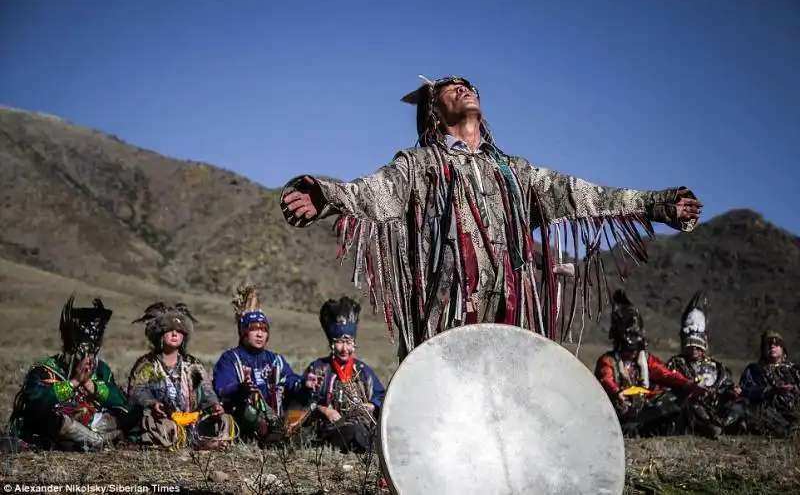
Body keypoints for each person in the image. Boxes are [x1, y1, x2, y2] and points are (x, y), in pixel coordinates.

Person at [280, 75, 703, 359]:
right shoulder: (419, 164)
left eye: (467, 85)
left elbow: (584, 194)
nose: (463, 89)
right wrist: (327, 195)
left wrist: (658, 204)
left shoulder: (516, 173)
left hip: (508, 311)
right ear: (433, 110)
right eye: (450, 88)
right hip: (444, 314)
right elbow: (373, 192)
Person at [9, 295, 128, 450]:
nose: (87, 358)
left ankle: (93, 439)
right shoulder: (44, 369)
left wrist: (91, 385)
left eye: (92, 353)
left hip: (96, 424)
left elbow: (119, 401)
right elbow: (36, 401)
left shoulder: (101, 370)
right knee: (44, 416)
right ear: (70, 351)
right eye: (81, 353)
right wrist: (75, 382)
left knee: (131, 412)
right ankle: (96, 441)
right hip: (57, 427)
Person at [595, 290, 704, 437]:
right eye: (629, 348)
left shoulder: (645, 360)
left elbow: (665, 374)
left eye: (636, 348)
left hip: (644, 408)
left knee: (677, 396)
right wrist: (616, 394)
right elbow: (605, 380)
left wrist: (687, 384)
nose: (633, 352)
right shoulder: (608, 361)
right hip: (618, 411)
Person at [213, 284, 312, 445]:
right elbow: (222, 388)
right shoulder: (231, 358)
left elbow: (290, 381)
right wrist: (241, 389)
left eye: (264, 330)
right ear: (243, 332)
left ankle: (283, 435)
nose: (260, 334)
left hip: (274, 417)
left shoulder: (275, 360)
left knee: (306, 405)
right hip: (244, 417)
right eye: (254, 329)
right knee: (250, 412)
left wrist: (304, 384)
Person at [127, 302, 235, 450]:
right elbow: (136, 391)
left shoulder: (193, 365)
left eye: (178, 331)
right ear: (159, 334)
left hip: (192, 419)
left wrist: (214, 406)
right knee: (157, 424)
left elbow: (206, 392)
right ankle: (196, 442)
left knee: (224, 420)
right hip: (164, 419)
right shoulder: (148, 365)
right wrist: (152, 404)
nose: (174, 334)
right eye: (169, 330)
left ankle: (205, 440)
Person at [303, 296, 385, 453]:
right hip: (330, 430)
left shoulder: (362, 370)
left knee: (365, 432)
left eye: (348, 342)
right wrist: (324, 410)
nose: (344, 348)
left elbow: (381, 395)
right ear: (332, 344)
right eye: (340, 342)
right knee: (354, 432)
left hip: (363, 426)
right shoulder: (319, 368)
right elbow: (304, 399)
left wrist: (372, 405)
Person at [665, 290, 747, 437]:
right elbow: (666, 387)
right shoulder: (675, 364)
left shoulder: (717, 367)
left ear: (704, 348)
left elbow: (725, 388)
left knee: (739, 405)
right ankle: (709, 428)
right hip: (690, 408)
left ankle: (724, 425)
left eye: (698, 347)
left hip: (714, 408)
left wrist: (732, 391)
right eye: (691, 346)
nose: (694, 349)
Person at [739, 329, 800, 437]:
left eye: (776, 344)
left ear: (783, 349)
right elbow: (745, 392)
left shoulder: (794, 370)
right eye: (769, 344)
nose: (772, 346)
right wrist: (771, 391)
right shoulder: (754, 370)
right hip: (770, 413)